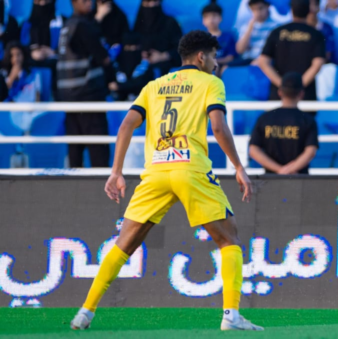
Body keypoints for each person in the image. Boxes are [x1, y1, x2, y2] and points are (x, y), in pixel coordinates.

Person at [69, 30, 263, 331]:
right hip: (191, 169)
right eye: (212, 56)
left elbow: (125, 127)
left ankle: (85, 311)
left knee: (123, 244)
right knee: (229, 239)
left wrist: (116, 171)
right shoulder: (211, 82)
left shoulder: (154, 85)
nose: (214, 63)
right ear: (201, 57)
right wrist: (238, 166)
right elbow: (219, 128)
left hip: (156, 170)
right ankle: (231, 316)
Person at [58, 0, 112, 168]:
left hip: (70, 100)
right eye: (84, 1)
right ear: (73, 3)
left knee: (75, 154)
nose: (89, 3)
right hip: (88, 97)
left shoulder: (67, 26)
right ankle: (102, 194)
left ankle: (74, 193)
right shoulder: (83, 26)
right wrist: (100, 18)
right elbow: (103, 57)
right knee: (99, 154)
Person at [249, 72, 319, 174]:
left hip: (271, 179)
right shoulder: (308, 120)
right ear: (301, 94)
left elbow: (254, 150)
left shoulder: (264, 118)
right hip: (300, 180)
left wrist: (279, 170)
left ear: (280, 92)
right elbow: (310, 151)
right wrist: (290, 170)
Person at [258, 0, 325, 101]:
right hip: (304, 95)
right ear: (309, 11)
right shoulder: (316, 34)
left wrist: (284, 86)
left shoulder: (277, 32)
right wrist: (297, 87)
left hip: (279, 94)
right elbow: (318, 64)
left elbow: (263, 61)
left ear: (291, 10)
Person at [2, 42, 43, 133]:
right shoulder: (4, 75)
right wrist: (12, 77)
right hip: (11, 112)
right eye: (12, 55)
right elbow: (4, 95)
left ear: (23, 55)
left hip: (30, 111)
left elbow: (37, 97)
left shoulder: (34, 74)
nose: (16, 58)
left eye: (18, 54)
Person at [133, 0, 183, 75]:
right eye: (148, 3)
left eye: (155, 2)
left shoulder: (170, 23)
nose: (151, 5)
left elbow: (181, 49)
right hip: (140, 72)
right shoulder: (139, 24)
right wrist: (140, 54)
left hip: (166, 73)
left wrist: (162, 56)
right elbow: (131, 45)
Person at [234, 0, 279, 66]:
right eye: (254, 9)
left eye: (260, 8)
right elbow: (240, 50)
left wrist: (261, 60)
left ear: (268, 6)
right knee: (226, 68)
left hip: (267, 60)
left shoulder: (276, 26)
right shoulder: (246, 26)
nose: (257, 12)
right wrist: (250, 28)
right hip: (248, 59)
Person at [202, 3, 237, 75]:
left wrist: (216, 61)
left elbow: (231, 57)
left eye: (214, 16)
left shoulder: (229, 37)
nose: (211, 19)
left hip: (223, 67)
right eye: (207, 17)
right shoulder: (200, 38)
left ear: (220, 18)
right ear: (203, 20)